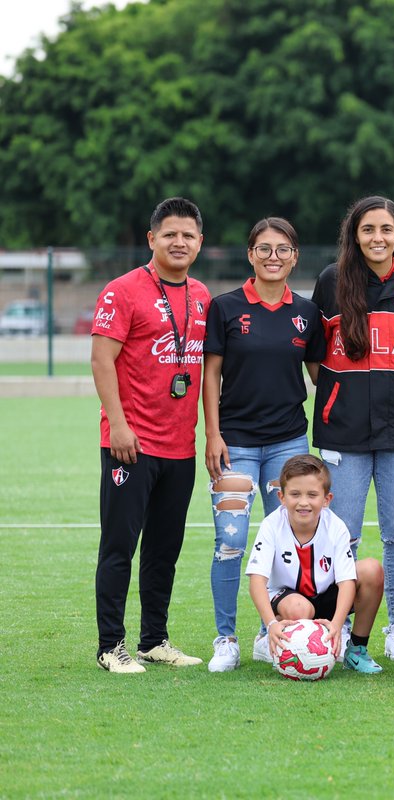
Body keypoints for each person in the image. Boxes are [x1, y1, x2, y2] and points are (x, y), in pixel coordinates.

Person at [91, 196, 211, 673]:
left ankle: (153, 639)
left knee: (164, 550)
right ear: (152, 239)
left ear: (200, 243)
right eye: (169, 234)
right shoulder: (122, 291)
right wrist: (118, 425)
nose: (178, 242)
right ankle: (109, 646)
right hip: (130, 444)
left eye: (187, 235)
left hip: (180, 447)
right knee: (119, 546)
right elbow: (102, 360)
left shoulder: (201, 296)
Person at [311, 196, 394, 662]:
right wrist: (347, 394)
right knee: (344, 534)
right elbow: (316, 360)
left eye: (386, 229)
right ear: (354, 234)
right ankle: (335, 628)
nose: (377, 238)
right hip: (342, 430)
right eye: (368, 229)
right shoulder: (332, 280)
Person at [202, 217, 324, 672]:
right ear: (250, 254)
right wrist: (213, 434)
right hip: (235, 443)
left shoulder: (307, 313)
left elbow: (318, 376)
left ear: (295, 256)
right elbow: (210, 373)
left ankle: (265, 632)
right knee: (230, 540)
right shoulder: (226, 307)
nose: (274, 257)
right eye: (264, 249)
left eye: (283, 249)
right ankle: (226, 639)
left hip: (289, 443)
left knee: (283, 544)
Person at [245, 454, 384, 674]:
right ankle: (274, 642)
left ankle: (356, 651)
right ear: (281, 497)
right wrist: (270, 623)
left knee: (371, 570)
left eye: (312, 495)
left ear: (327, 499)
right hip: (288, 599)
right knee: (300, 608)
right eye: (295, 494)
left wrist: (337, 624)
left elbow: (347, 582)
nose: (303, 502)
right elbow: (256, 581)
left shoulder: (336, 526)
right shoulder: (271, 525)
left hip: (326, 594)